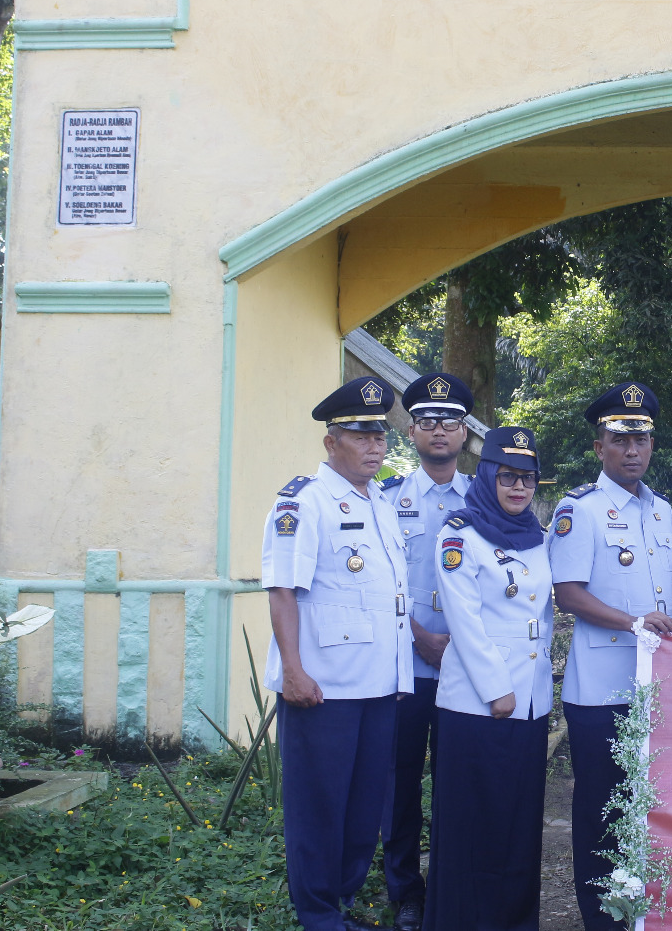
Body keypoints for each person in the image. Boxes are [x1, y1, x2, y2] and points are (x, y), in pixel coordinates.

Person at [261, 376, 414, 931]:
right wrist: (294, 672)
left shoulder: (380, 502)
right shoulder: (304, 502)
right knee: (319, 809)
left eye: (380, 434)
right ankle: (319, 914)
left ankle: (341, 903)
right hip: (323, 688)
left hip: (378, 685)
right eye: (360, 433)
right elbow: (282, 590)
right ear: (331, 441)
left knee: (362, 811)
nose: (375, 444)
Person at [548, 382, 672, 931]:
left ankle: (642, 913)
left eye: (641, 440)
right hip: (601, 686)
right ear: (599, 445)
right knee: (600, 808)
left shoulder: (664, 511)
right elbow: (567, 592)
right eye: (620, 439)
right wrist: (631, 621)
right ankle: (600, 919)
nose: (632, 450)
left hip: (654, 687)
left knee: (648, 805)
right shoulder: (580, 508)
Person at [423, 427, 554, 931]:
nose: (518, 488)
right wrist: (497, 691)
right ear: (488, 476)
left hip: (530, 705)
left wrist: (522, 696)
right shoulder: (459, 534)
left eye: (527, 479)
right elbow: (464, 619)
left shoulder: (537, 537)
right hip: (478, 707)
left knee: (518, 828)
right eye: (508, 477)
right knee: (470, 827)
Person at [378, 372, 477, 931]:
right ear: (411, 431)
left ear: (464, 433)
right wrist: (420, 637)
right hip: (406, 666)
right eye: (428, 422)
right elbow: (381, 585)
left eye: (450, 422)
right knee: (401, 781)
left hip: (467, 669)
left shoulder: (485, 501)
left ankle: (449, 887)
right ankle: (405, 892)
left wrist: (460, 644)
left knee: (457, 781)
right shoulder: (387, 499)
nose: (439, 431)